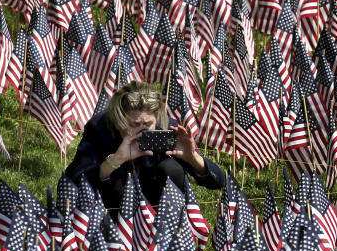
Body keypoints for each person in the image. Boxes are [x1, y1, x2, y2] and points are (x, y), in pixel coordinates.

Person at [66, 81, 225, 210]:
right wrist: (115, 160)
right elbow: (73, 180)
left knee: (172, 169)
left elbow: (218, 182)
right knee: (118, 176)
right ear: (119, 120)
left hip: (156, 199)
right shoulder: (100, 128)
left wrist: (192, 158)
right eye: (134, 124)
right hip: (113, 205)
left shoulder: (165, 127)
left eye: (147, 123)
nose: (141, 129)